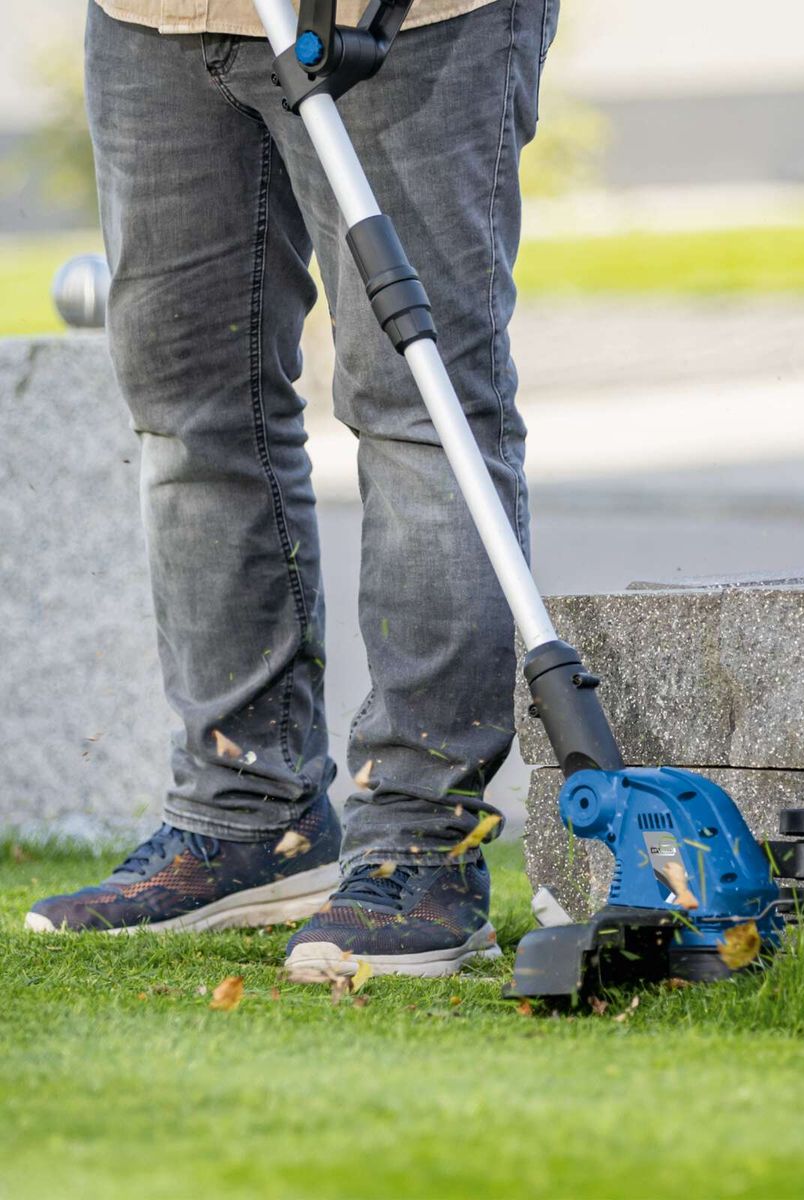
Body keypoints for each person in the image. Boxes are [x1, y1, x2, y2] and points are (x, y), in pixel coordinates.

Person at [26, 0, 557, 980]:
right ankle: (242, 819)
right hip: (157, 20)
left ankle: (421, 842)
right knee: (192, 415)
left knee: (421, 409)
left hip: (402, 21)